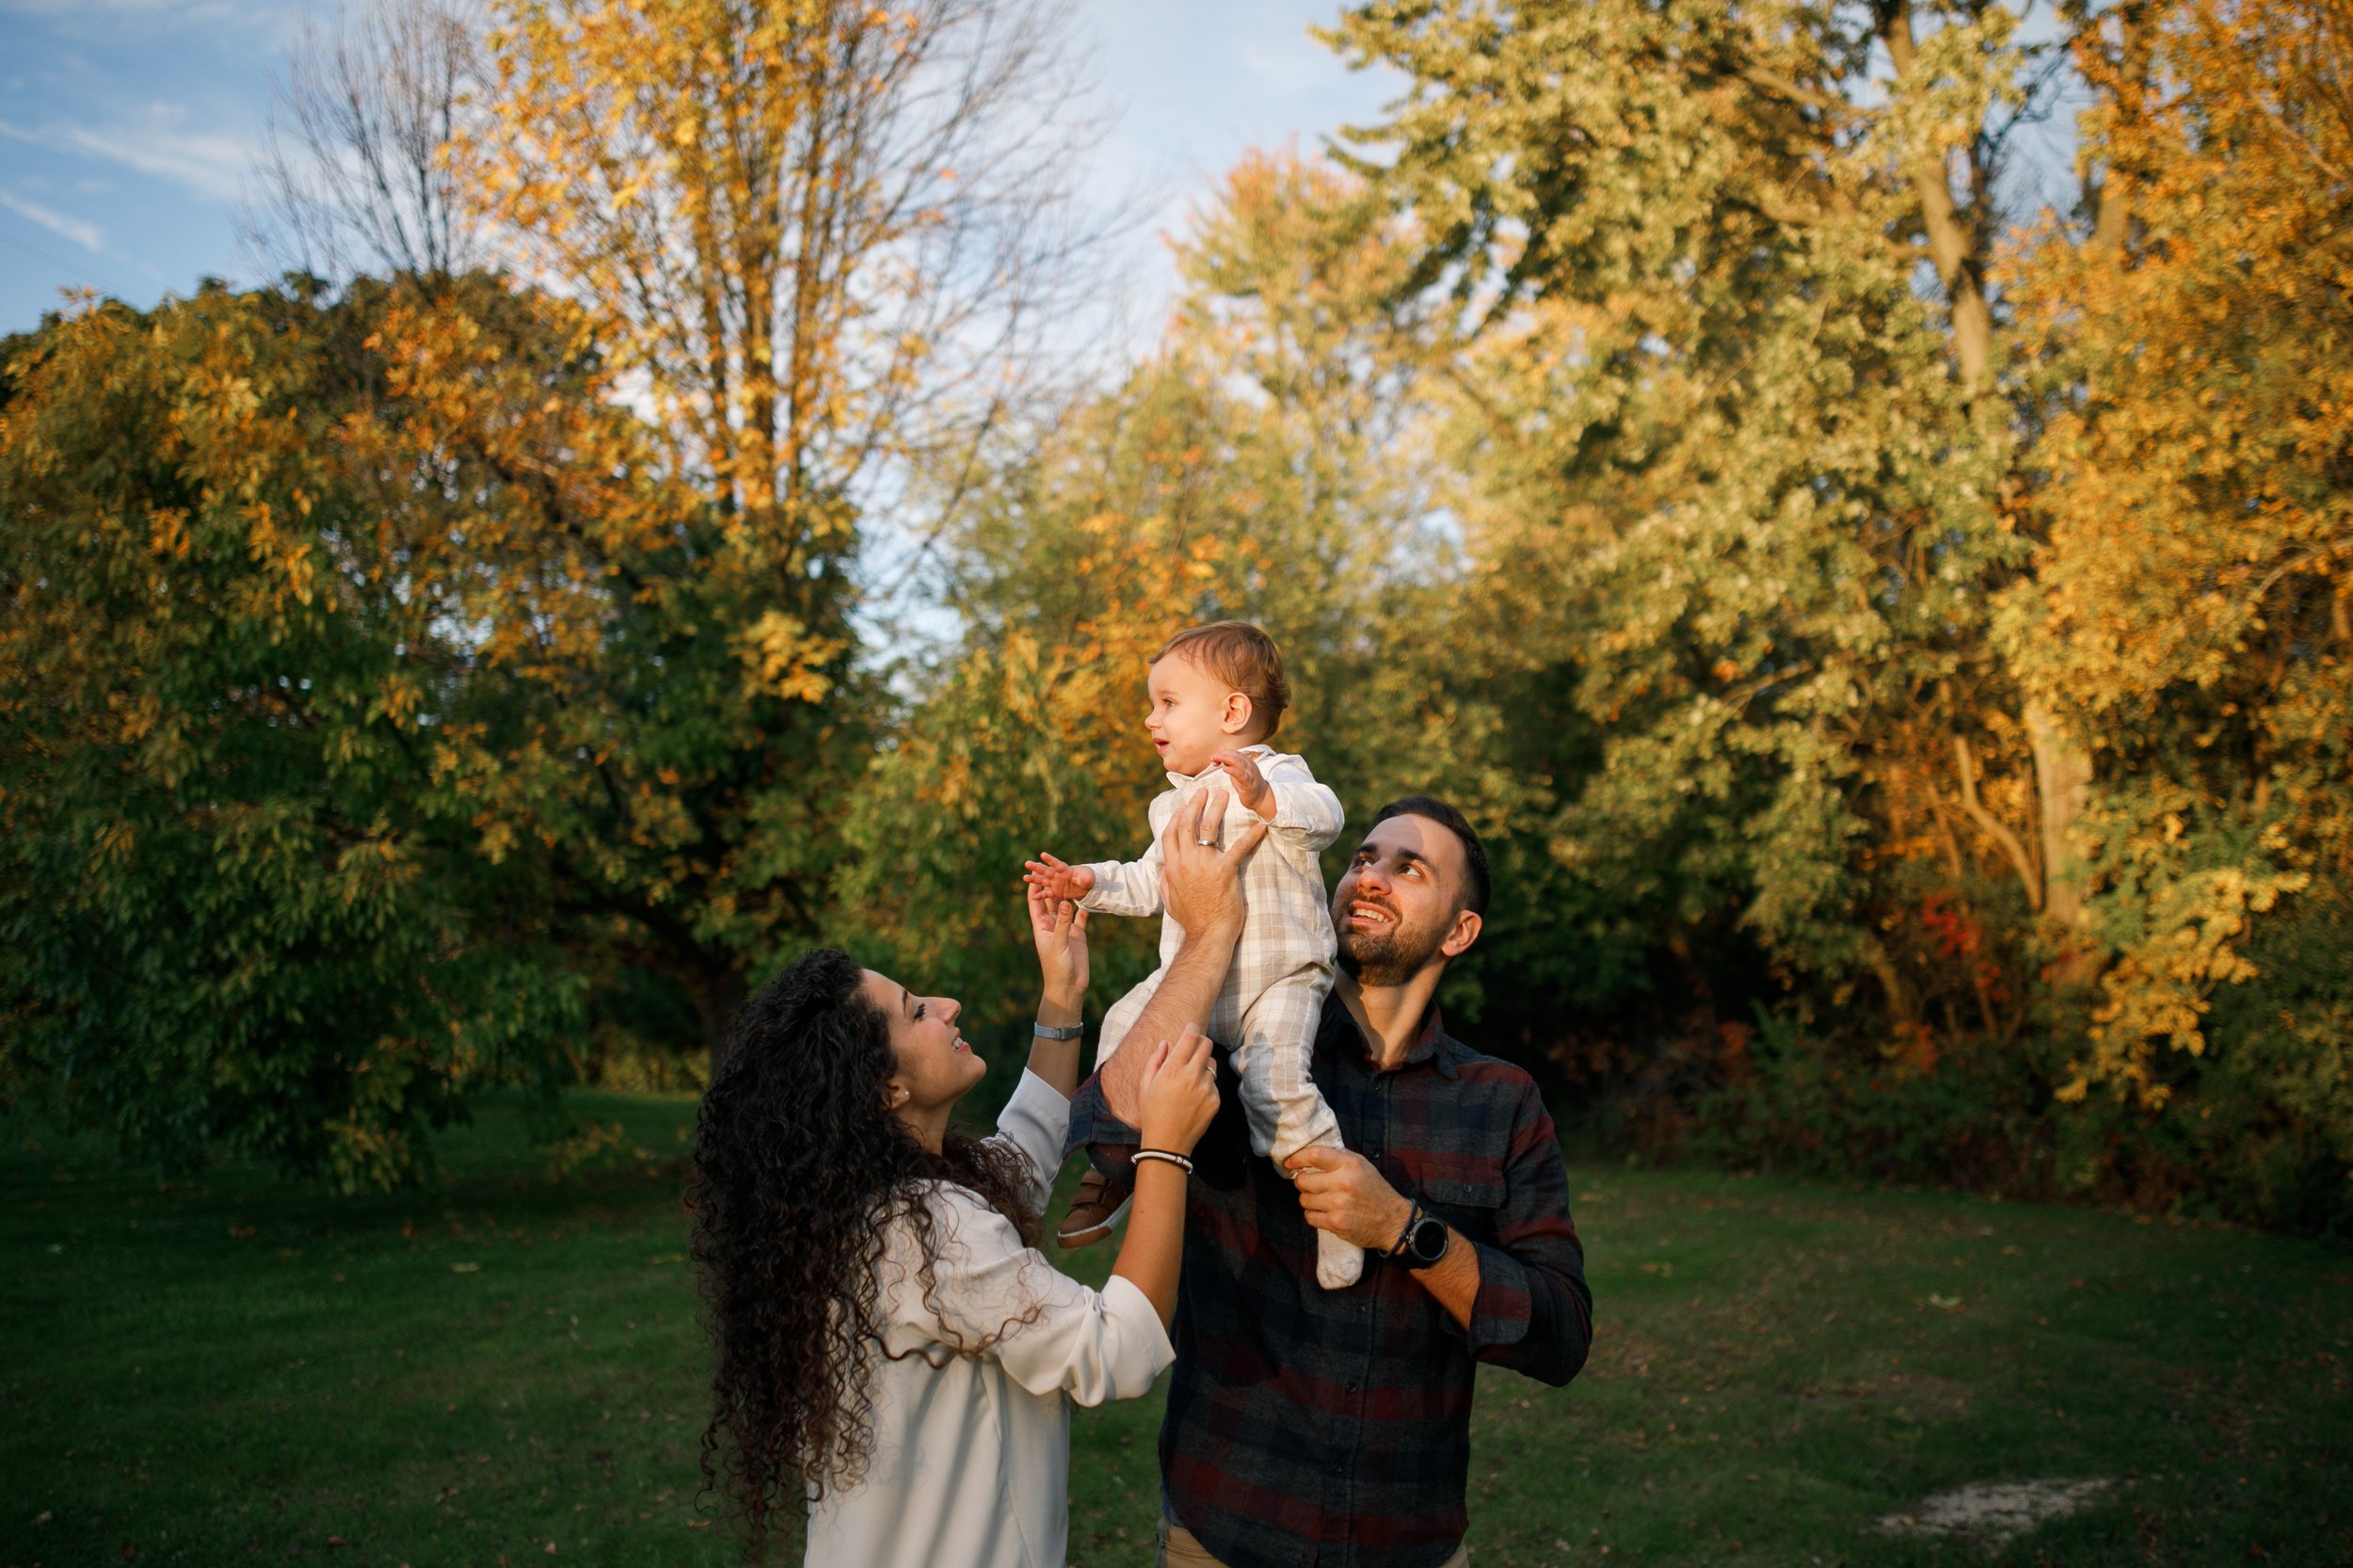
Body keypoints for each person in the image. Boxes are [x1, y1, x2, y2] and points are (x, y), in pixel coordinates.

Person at [687, 792, 1253, 1568]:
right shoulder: (926, 1230)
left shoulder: (869, 1205)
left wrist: (1062, 999)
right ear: (884, 1089)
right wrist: (1166, 1149)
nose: (948, 1005)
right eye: (917, 1011)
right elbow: (1115, 1350)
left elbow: (1015, 1163)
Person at [1065, 795, 1594, 1568]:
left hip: (1410, 1543)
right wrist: (1210, 935)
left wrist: (1403, 1231)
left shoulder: (1500, 1101)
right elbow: (1112, 1139)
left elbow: (1561, 1336)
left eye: (1408, 869)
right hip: (1225, 1532)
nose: (1370, 878)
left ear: (1460, 931)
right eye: (1362, 859)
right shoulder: (1237, 1056)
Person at [1027, 620, 1363, 1288]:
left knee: (1278, 1088)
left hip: (1281, 977)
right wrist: (1088, 883)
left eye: (1168, 703)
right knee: (1126, 1024)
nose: (1152, 719)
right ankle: (1116, 1158)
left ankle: (1335, 1212)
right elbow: (1153, 880)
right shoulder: (1169, 806)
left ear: (1233, 712)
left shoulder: (1278, 775)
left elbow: (1325, 816)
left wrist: (1263, 798)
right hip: (1199, 986)